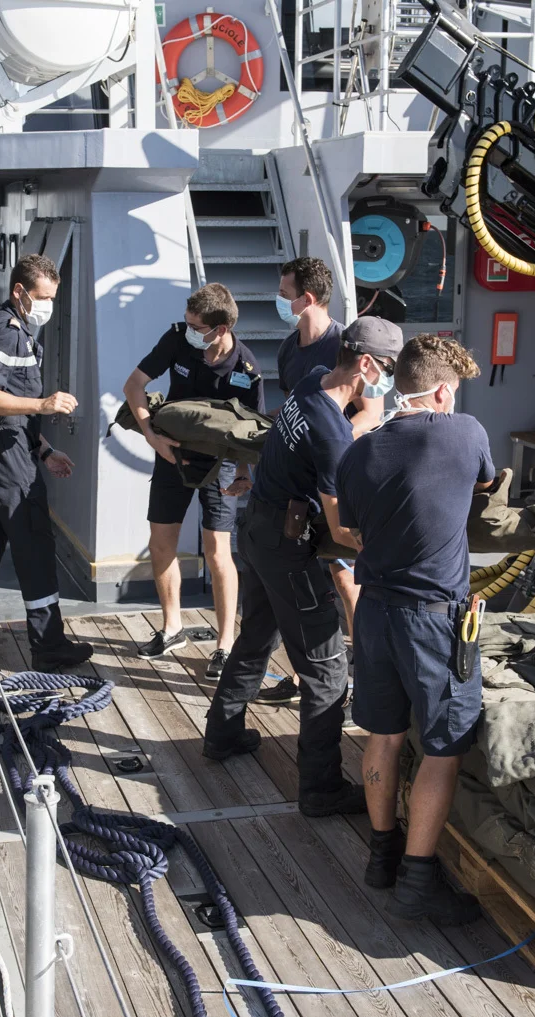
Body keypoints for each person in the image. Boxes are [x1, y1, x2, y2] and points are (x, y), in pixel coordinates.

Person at [202, 316, 404, 817]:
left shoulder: (313, 380)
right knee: (327, 672)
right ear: (364, 364)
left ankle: (222, 734)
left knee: (256, 638)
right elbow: (339, 532)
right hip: (289, 550)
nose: (388, 380)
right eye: (388, 369)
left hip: (257, 532)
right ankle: (320, 788)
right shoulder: (333, 435)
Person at [336, 334, 493, 925]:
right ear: (443, 390)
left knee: (382, 736)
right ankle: (418, 884)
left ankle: (383, 858)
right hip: (433, 620)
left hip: (374, 611)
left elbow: (351, 528)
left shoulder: (358, 453)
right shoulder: (466, 433)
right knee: (444, 748)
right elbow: (483, 486)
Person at [0, 253, 93, 671]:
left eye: (53, 298)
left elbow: (9, 408)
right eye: (43, 297)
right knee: (34, 540)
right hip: (3, 455)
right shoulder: (8, 335)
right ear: (20, 291)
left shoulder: (6, 327)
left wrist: (45, 451)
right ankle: (48, 645)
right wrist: (44, 403)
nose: (47, 306)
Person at [257, 256, 380, 705]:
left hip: (338, 477)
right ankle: (307, 676)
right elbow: (297, 406)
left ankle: (365, 675)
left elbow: (371, 413)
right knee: (303, 586)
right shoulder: (292, 349)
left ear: (307, 299)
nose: (279, 299)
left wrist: (332, 442)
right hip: (300, 493)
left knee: (346, 580)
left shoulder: (344, 347)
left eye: (284, 293)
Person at [124, 283, 263, 678]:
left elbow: (251, 431)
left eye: (195, 325)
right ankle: (172, 628)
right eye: (187, 322)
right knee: (160, 541)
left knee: (217, 549)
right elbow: (134, 386)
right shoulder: (176, 340)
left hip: (218, 462)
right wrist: (152, 435)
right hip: (172, 452)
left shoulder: (246, 369)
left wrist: (242, 473)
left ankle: (224, 644)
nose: (188, 329)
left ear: (219, 329)